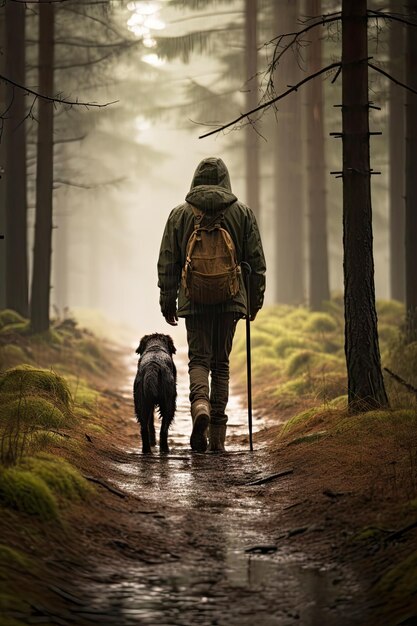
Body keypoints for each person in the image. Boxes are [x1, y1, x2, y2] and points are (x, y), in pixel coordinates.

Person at [157, 157, 266, 453]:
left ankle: (200, 405)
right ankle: (217, 436)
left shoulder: (180, 214)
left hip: (194, 299)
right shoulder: (242, 214)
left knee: (199, 360)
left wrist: (168, 300)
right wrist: (253, 302)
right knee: (221, 364)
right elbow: (256, 264)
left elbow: (168, 261)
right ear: (226, 181)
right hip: (230, 300)